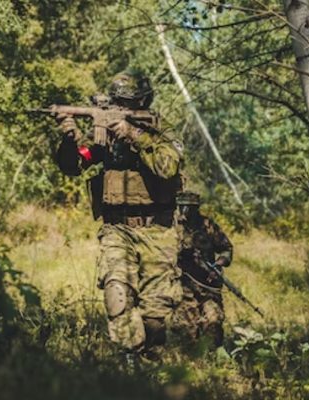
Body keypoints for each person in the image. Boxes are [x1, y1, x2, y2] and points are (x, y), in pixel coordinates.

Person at [54, 70, 184, 360]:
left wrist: (134, 134)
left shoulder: (161, 130)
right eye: (117, 102)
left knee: (154, 312)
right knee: (116, 292)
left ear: (142, 101)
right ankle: (129, 360)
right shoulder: (104, 135)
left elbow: (168, 167)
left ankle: (150, 363)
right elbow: (75, 165)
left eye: (127, 103)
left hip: (157, 229)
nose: (121, 108)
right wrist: (69, 138)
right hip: (117, 229)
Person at [171, 191, 233, 347]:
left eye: (191, 208)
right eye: (183, 207)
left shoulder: (207, 226)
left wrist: (219, 263)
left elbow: (226, 248)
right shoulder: (172, 228)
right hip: (183, 288)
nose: (186, 212)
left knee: (213, 321)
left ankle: (213, 357)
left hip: (208, 285)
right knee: (186, 329)